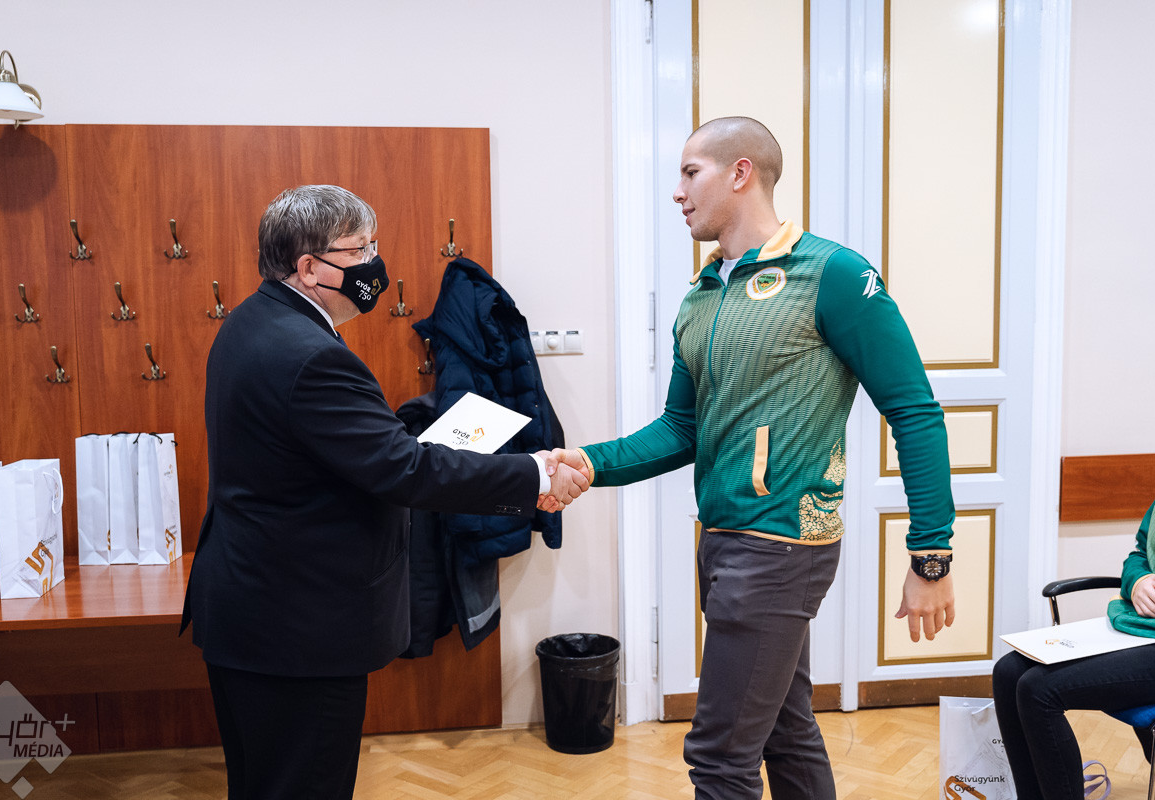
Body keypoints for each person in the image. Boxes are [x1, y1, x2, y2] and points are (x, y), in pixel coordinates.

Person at [544, 117, 957, 799]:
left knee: (718, 757)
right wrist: (589, 463)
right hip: (722, 542)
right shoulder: (703, 292)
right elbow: (682, 428)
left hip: (781, 547)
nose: (677, 192)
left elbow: (914, 410)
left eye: (690, 173)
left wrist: (931, 554)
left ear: (741, 173)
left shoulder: (833, 274)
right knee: (784, 730)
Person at [180, 184, 587, 800]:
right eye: (359, 250)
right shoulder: (309, 354)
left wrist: (397, 441)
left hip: (254, 611)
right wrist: (533, 475)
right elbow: (406, 473)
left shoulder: (252, 322)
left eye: (374, 245)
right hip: (297, 630)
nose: (374, 263)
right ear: (309, 267)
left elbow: (325, 451)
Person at [994, 498, 1155, 800]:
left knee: (1038, 690)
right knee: (1008, 671)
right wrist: (1139, 582)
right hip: (1139, 629)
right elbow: (1139, 554)